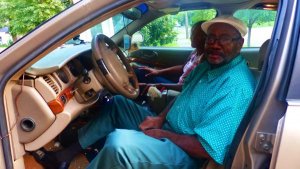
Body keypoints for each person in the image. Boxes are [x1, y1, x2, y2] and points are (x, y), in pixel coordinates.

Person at [33, 15, 256, 169]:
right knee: (118, 105)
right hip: (171, 130)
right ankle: (64, 156)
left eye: (224, 39)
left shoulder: (236, 87)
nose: (215, 44)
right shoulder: (209, 64)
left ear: (240, 43)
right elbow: (183, 97)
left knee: (119, 144)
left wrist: (164, 134)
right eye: (211, 38)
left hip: (188, 156)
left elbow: (207, 149)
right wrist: (159, 119)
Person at [135, 20, 206, 91]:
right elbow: (182, 68)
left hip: (179, 91)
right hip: (177, 83)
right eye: (192, 34)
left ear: (204, 37)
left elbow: (188, 87)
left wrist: (158, 86)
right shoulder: (195, 52)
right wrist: (158, 72)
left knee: (142, 77)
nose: (191, 37)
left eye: (194, 34)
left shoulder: (204, 60)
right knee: (142, 71)